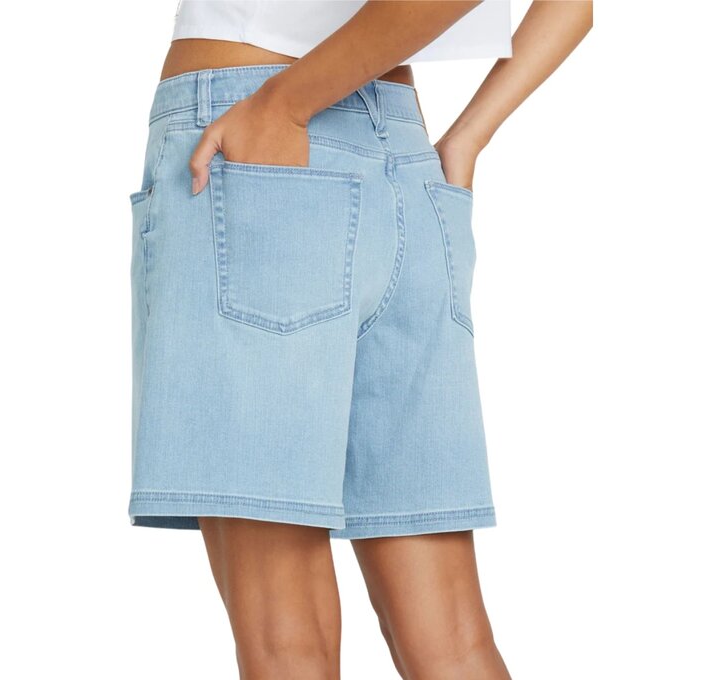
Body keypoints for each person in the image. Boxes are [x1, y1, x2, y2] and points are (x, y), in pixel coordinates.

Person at [127, 1, 593, 677]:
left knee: (286, 638)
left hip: (259, 137)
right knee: (451, 640)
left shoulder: (278, 111)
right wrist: (467, 139)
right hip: (404, 161)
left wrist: (285, 104)